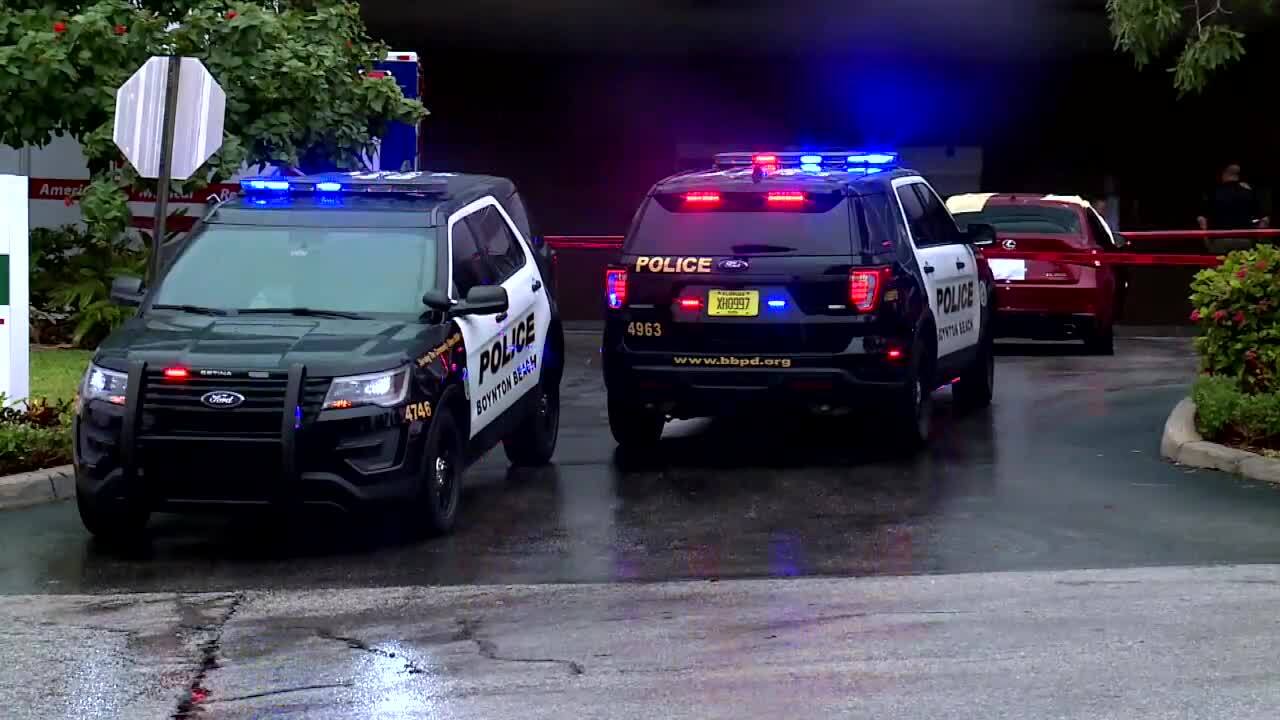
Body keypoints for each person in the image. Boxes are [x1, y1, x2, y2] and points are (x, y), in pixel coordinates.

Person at [1197, 163, 1268, 231]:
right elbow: (1265, 219)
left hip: (1219, 239)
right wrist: (1259, 237)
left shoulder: (1213, 193)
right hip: (1246, 240)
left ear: (1224, 174)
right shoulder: (1249, 193)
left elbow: (1202, 220)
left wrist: (1206, 240)